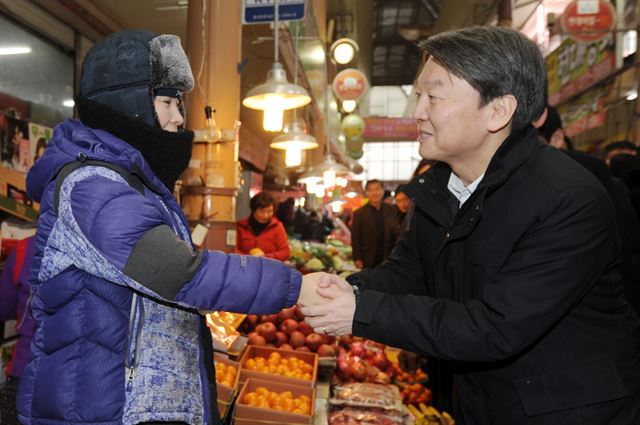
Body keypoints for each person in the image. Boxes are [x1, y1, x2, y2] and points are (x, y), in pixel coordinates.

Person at [299, 26, 640, 425]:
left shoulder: (567, 199)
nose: (417, 112)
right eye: (418, 95)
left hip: (569, 412)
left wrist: (359, 310)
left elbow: (495, 328)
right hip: (483, 404)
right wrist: (342, 288)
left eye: (434, 97)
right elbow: (408, 272)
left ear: (498, 111)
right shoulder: (443, 188)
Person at [17, 30, 321, 425]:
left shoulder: (133, 183)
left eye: (179, 104)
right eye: (166, 102)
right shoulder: (91, 185)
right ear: (128, 105)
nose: (179, 118)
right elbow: (178, 272)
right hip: (99, 410)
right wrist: (295, 285)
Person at [0, 237, 35, 425]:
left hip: (23, 370)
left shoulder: (26, 247)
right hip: (80, 383)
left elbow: (4, 306)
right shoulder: (107, 247)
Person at [350, 179, 395, 269]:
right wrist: (357, 258)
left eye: (377, 189)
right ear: (366, 192)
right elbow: (355, 237)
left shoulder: (392, 210)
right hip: (368, 257)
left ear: (382, 190)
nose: (374, 193)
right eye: (370, 190)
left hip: (388, 257)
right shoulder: (359, 213)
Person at [236, 192, 290, 261]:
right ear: (253, 210)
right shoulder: (241, 226)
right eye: (262, 211)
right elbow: (233, 249)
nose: (266, 215)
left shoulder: (277, 227)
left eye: (270, 211)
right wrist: (248, 258)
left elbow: (285, 252)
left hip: (269, 268)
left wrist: (265, 257)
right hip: (245, 267)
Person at [383, 184, 412, 257]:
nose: (403, 204)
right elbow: (388, 246)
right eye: (399, 201)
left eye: (405, 199)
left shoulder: (418, 217)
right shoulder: (392, 220)